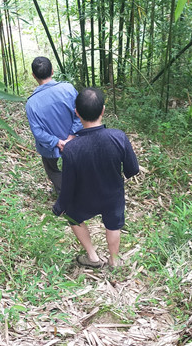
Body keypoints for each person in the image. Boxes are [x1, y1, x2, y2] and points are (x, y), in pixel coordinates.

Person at [53, 87, 139, 268]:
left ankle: (92, 257)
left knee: (73, 217)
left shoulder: (71, 148)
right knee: (113, 225)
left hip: (85, 198)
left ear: (77, 113)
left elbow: (68, 184)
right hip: (112, 196)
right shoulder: (118, 137)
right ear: (103, 110)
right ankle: (114, 260)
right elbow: (132, 170)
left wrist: (60, 206)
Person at [25, 56, 82, 196]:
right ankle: (81, 190)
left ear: (33, 75)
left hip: (50, 147)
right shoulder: (68, 89)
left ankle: (64, 193)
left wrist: (57, 142)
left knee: (51, 169)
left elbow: (38, 132)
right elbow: (80, 114)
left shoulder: (31, 103)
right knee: (78, 164)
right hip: (75, 141)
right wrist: (71, 136)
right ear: (52, 71)